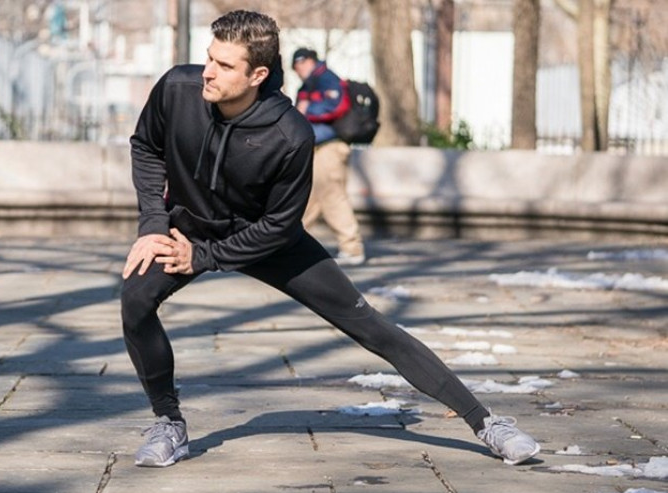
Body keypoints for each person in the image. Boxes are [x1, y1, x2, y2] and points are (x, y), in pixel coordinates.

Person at [121, 9, 540, 468]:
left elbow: (279, 225)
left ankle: (487, 423)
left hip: (267, 239)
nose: (208, 71)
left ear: (258, 74)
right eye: (209, 58)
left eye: (224, 65)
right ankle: (169, 424)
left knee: (369, 324)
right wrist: (154, 227)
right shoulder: (178, 89)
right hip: (186, 227)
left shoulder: (291, 134)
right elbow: (146, 147)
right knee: (136, 298)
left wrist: (204, 257)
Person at [291, 47, 365, 266]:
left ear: (311, 61)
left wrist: (307, 109)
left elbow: (337, 104)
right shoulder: (310, 83)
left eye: (301, 64)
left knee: (332, 195)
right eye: (296, 67)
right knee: (309, 198)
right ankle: (287, 244)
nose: (298, 70)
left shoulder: (326, 78)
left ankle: (352, 247)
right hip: (317, 146)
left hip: (330, 146)